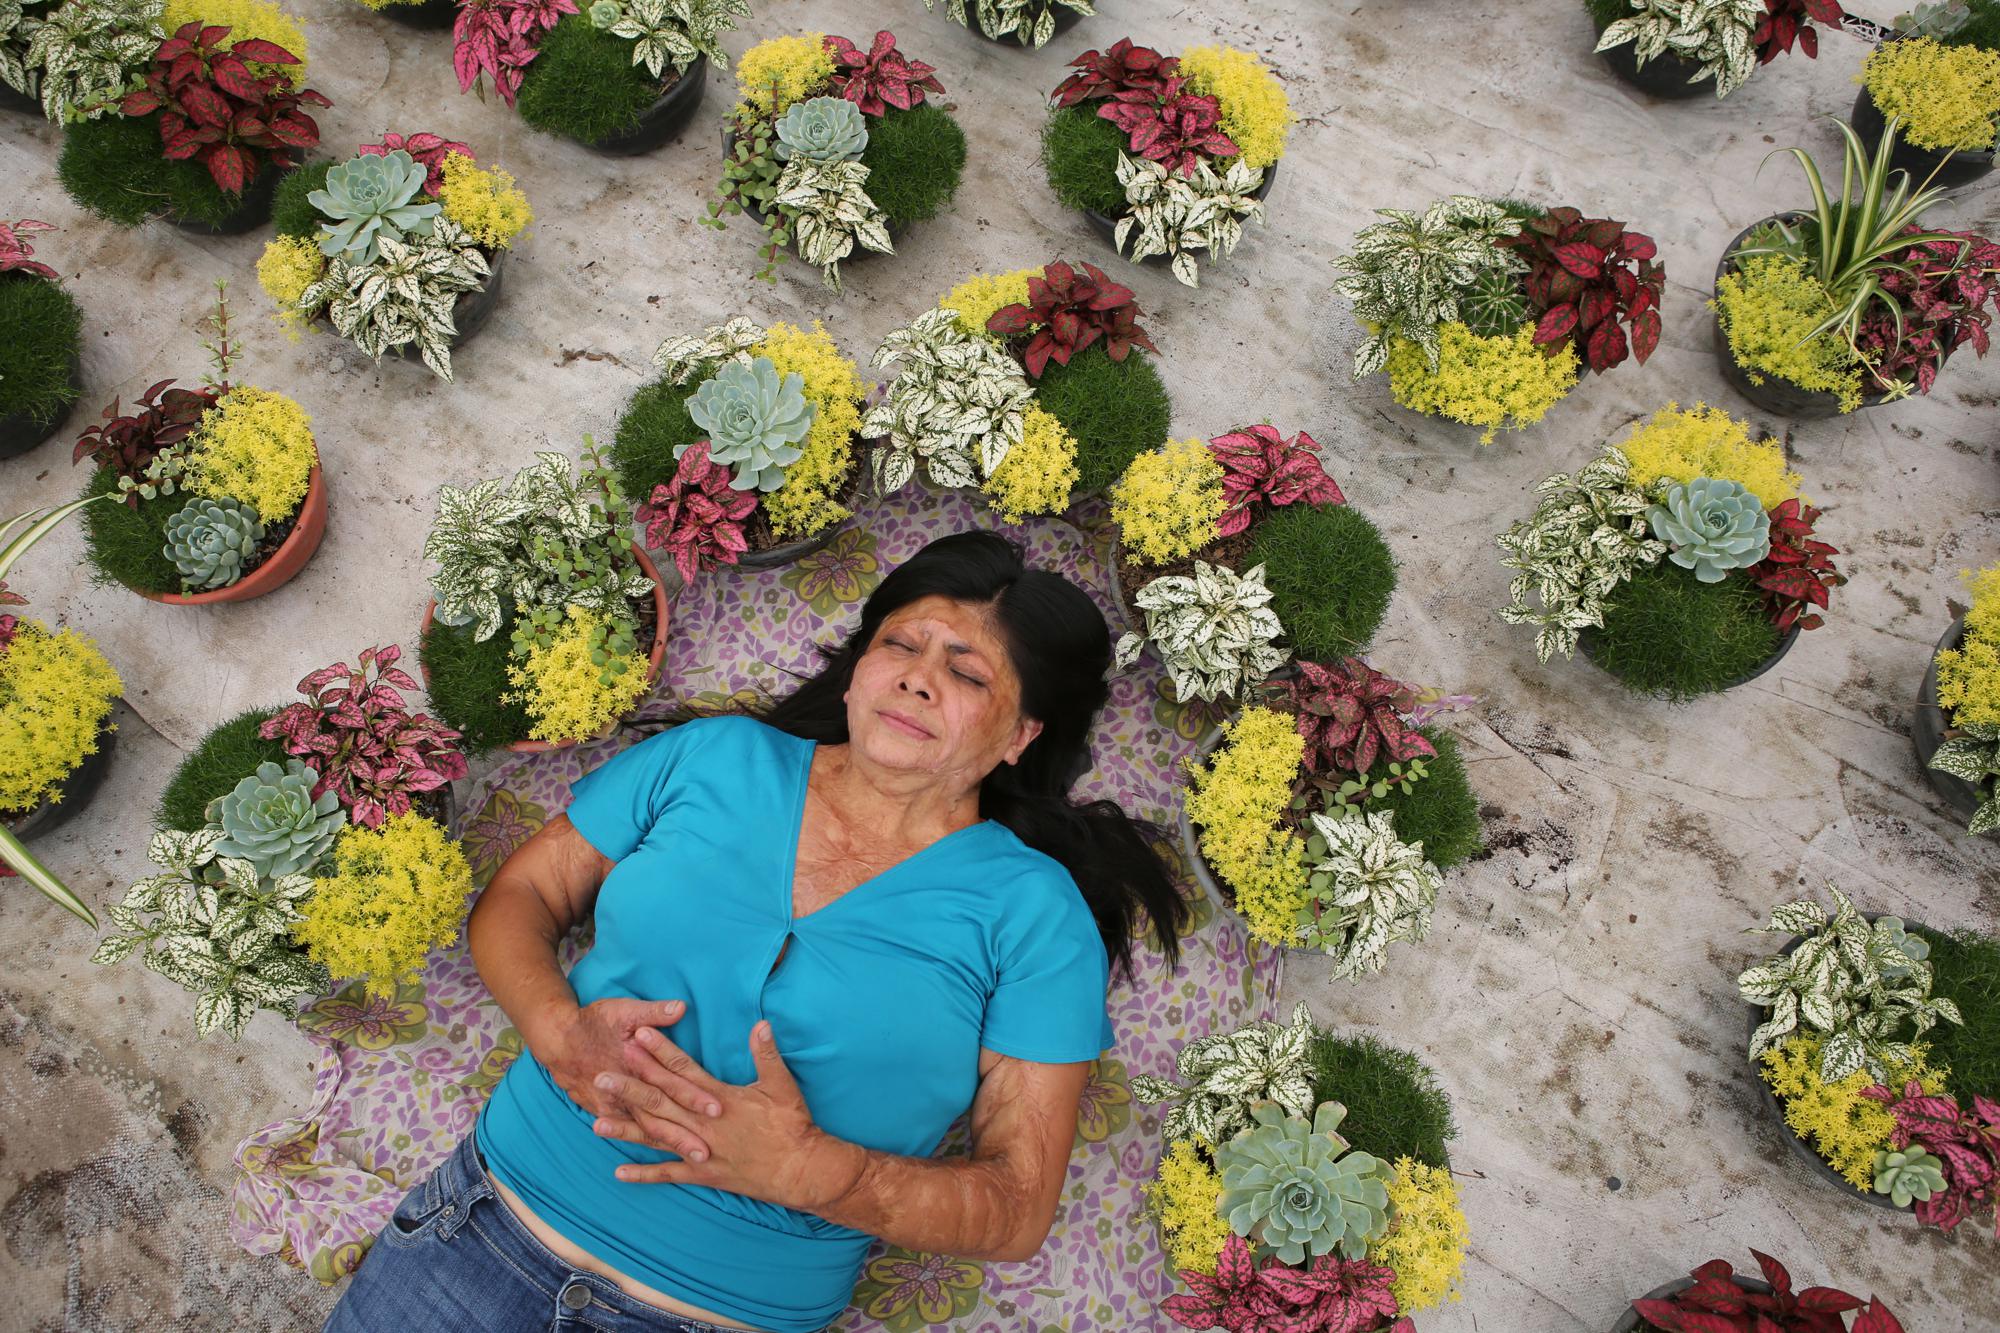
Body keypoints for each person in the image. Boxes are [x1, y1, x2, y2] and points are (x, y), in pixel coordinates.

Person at [324, 531, 1189, 1333]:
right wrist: (560, 1033)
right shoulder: (713, 757)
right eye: (900, 644)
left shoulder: (1037, 915)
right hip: (475, 1233)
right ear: (855, 671)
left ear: (1021, 735)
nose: (919, 677)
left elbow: (1018, 1203)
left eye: (967, 674)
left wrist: (813, 1172)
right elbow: (523, 895)